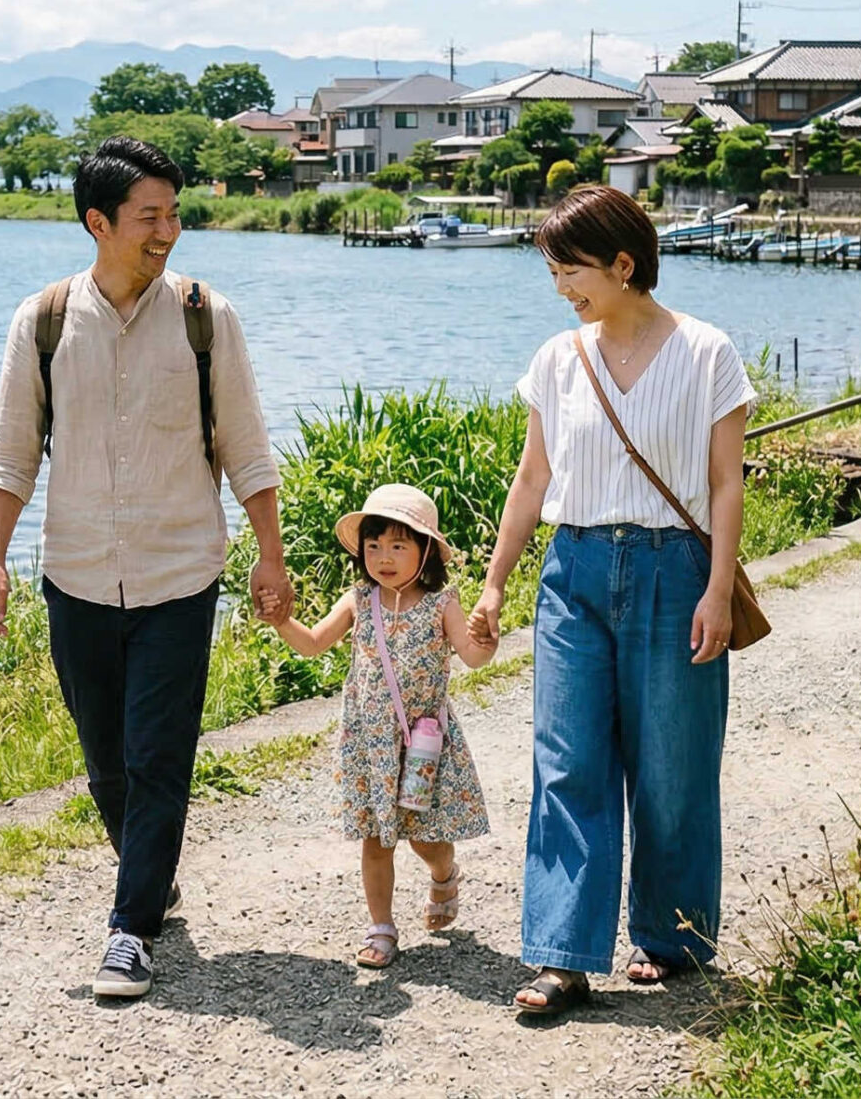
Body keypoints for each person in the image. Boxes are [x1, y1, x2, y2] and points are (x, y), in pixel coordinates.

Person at [0, 136, 292, 1000]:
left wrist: (270, 554)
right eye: (150, 216)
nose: (168, 231)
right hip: (74, 570)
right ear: (98, 222)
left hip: (180, 573)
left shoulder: (205, 316)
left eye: (174, 213)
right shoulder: (41, 320)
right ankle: (149, 872)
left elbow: (247, 448)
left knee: (159, 753)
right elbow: (12, 454)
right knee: (105, 759)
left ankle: (131, 929)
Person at [468, 185, 755, 1017]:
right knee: (568, 764)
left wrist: (717, 591)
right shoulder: (559, 358)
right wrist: (495, 581)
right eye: (553, 269)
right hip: (576, 572)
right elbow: (533, 479)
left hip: (676, 569)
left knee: (673, 765)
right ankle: (562, 956)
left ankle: (672, 935)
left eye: (572, 268)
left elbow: (724, 485)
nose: (562, 285)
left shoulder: (708, 352)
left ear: (625, 264)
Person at [265, 484, 494, 970]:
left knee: (424, 837)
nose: (383, 557)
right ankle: (382, 928)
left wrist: (486, 638)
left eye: (397, 545)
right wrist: (282, 621)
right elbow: (312, 644)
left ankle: (444, 871)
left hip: (425, 747)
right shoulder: (359, 599)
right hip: (371, 746)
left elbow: (473, 657)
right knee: (377, 837)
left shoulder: (441, 602)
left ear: (425, 549)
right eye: (373, 545)